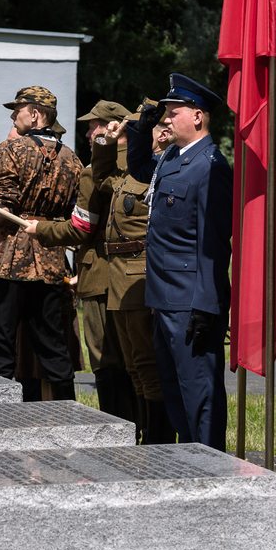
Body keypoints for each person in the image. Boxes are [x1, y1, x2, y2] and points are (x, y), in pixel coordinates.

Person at [124, 74, 232, 450]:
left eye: (173, 112)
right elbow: (141, 169)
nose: (166, 119)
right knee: (175, 392)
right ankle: (189, 460)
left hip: (190, 302)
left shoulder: (211, 166)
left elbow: (214, 244)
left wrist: (206, 305)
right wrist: (141, 131)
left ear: (198, 116)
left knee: (199, 394)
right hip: (164, 297)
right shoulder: (174, 157)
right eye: (165, 113)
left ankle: (210, 466)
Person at [0, 86, 82, 398]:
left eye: (18, 110)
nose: (13, 116)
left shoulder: (9, 149)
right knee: (52, 346)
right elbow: (71, 215)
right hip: (50, 261)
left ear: (35, 114)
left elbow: (2, 209)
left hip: (8, 260)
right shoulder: (73, 159)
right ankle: (68, 414)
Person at [25, 99, 136, 422]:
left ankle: (116, 425)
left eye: (93, 127)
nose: (88, 134)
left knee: (105, 357)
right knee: (133, 357)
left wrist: (40, 229)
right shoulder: (141, 163)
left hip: (100, 274)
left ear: (112, 128)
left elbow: (81, 227)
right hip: (130, 274)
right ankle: (138, 423)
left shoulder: (94, 172)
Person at [95, 100, 177, 444]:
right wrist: (107, 139)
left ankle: (158, 437)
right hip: (118, 276)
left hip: (139, 271)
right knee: (132, 365)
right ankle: (144, 432)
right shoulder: (131, 172)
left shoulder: (163, 170)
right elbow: (100, 176)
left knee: (146, 363)